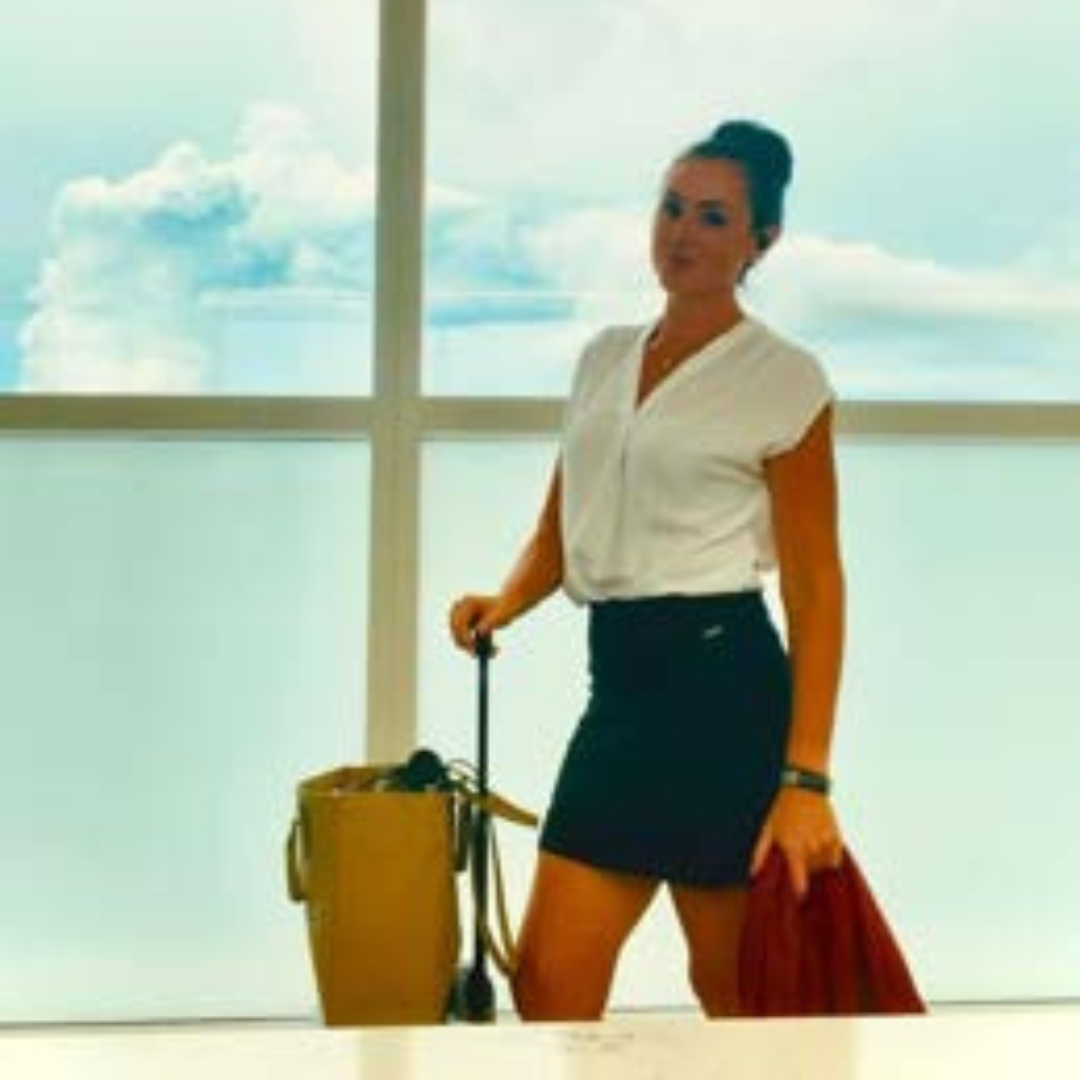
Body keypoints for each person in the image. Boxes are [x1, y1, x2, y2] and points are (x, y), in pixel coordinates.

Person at [448, 119, 845, 1021]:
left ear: (762, 241)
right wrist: (503, 604)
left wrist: (806, 779)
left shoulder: (786, 379)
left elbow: (817, 587)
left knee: (733, 989)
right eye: (671, 208)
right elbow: (560, 529)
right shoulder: (602, 359)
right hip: (621, 692)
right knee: (548, 983)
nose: (681, 233)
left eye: (713, 217)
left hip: (723, 695)